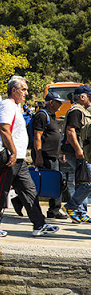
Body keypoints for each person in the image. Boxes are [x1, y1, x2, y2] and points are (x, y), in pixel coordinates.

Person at [0, 76, 59, 237]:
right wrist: (13, 151)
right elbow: (4, 129)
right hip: (10, 157)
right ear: (14, 90)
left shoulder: (16, 107)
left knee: (30, 191)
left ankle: (39, 224)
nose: (26, 92)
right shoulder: (7, 105)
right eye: (23, 89)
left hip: (19, 159)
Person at [24, 91, 67, 220]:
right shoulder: (42, 115)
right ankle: (54, 210)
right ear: (51, 102)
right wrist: (38, 156)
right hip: (44, 154)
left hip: (53, 155)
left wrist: (60, 153)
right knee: (49, 182)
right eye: (58, 102)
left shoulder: (52, 115)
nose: (60, 104)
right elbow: (38, 136)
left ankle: (53, 209)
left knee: (53, 182)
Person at [62, 85, 91, 223]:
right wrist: (78, 150)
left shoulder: (82, 111)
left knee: (82, 181)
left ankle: (81, 212)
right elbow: (70, 131)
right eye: (89, 97)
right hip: (76, 152)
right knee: (88, 180)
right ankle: (71, 206)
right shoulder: (76, 111)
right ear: (82, 97)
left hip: (79, 152)